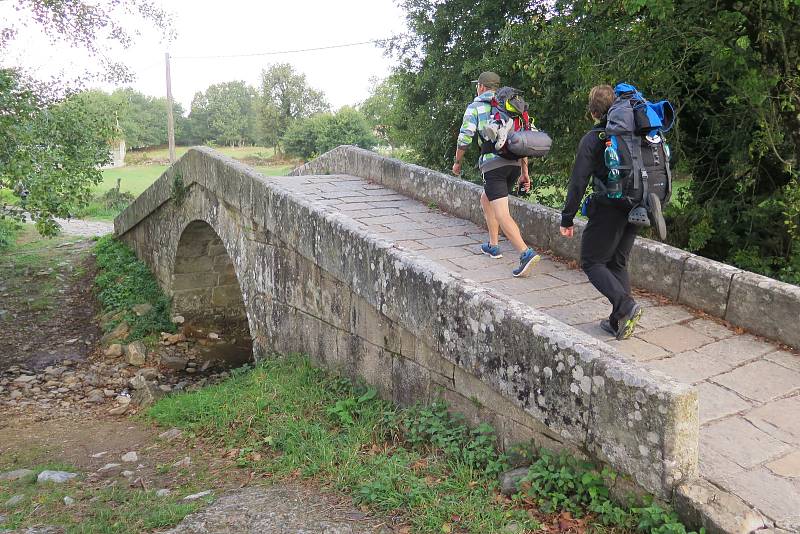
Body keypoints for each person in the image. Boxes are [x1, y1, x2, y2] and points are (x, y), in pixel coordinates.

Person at [559, 85, 643, 340]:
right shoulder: (635, 135)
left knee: (593, 262)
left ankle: (625, 305)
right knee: (617, 261)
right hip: (638, 203)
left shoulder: (594, 138)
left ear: (593, 111)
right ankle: (618, 321)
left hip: (609, 207)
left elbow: (578, 181)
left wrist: (567, 217)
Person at [452, 71, 541, 278]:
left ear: (481, 87)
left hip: (494, 166)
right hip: (514, 165)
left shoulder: (475, 107)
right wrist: (524, 172)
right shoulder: (510, 106)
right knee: (486, 198)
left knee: (502, 213)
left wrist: (457, 162)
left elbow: (465, 137)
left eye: (478, 86)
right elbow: (524, 139)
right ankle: (493, 245)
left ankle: (525, 253)